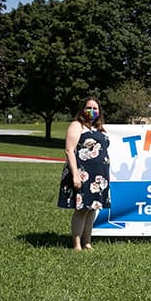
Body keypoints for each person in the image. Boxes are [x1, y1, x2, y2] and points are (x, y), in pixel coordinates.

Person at [58, 97, 111, 250]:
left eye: (95, 108)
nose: (92, 111)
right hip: (83, 174)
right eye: (89, 108)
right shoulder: (77, 125)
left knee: (92, 208)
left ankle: (87, 242)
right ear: (82, 109)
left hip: (99, 176)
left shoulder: (99, 128)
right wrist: (75, 174)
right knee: (81, 209)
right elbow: (69, 150)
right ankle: (76, 244)